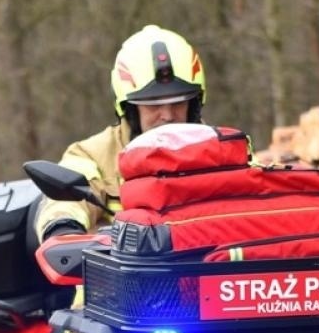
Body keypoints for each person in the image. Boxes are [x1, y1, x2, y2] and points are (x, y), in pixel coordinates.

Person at [34, 24, 208, 241]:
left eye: (179, 103)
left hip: (208, 268)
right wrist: (63, 230)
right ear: (129, 108)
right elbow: (64, 202)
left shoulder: (226, 152)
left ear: (194, 105)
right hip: (123, 273)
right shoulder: (91, 155)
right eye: (153, 104)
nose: (168, 115)